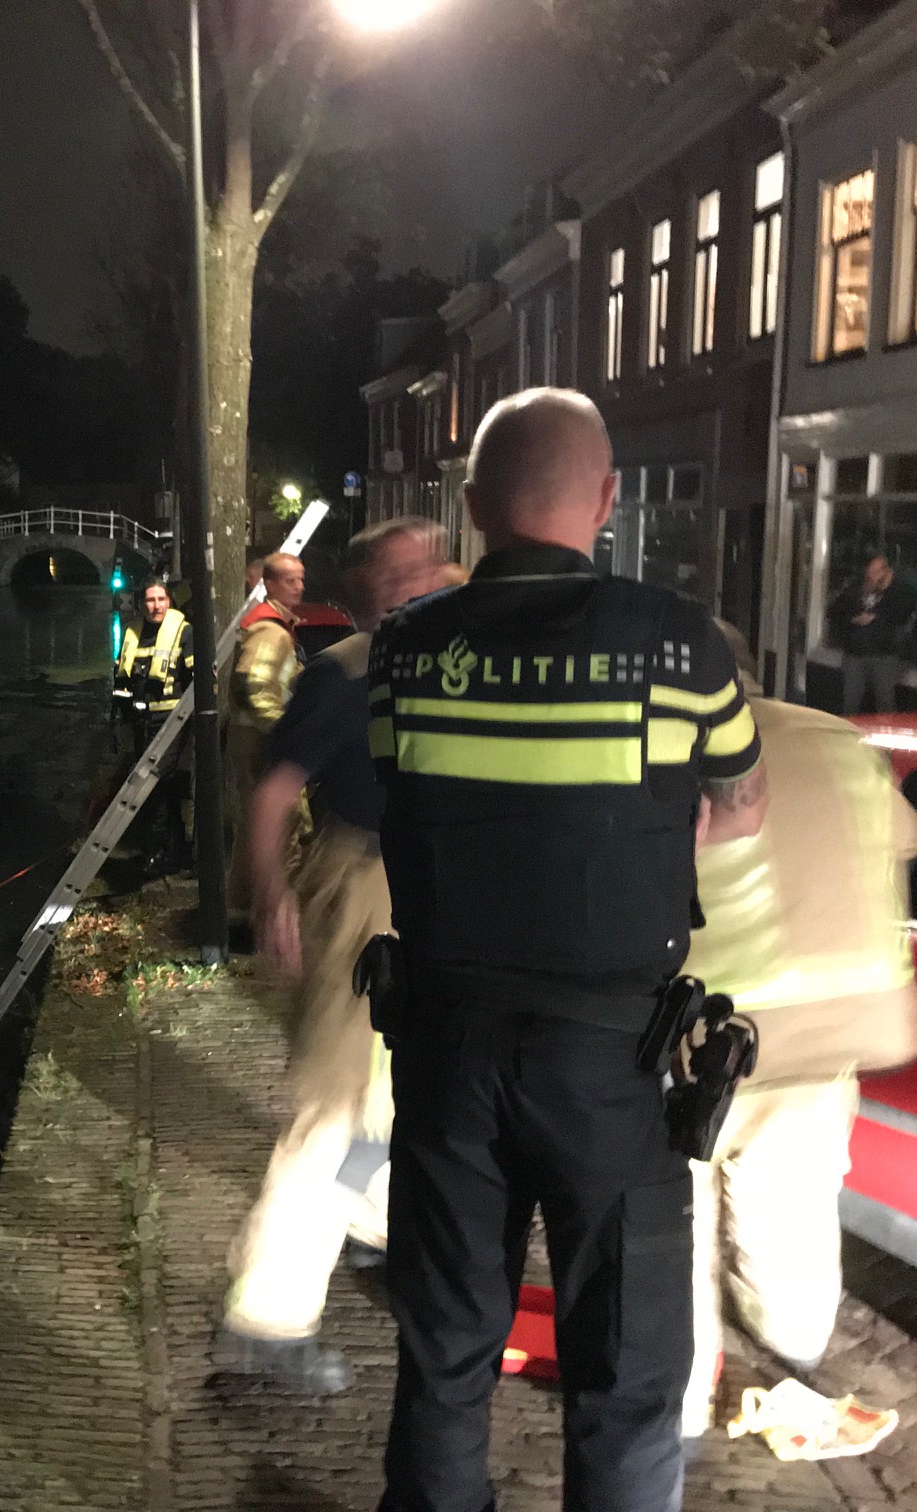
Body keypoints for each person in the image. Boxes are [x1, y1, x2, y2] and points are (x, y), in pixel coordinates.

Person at [368, 388, 768, 1512]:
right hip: (614, 1068)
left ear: (478, 504)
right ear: (606, 500)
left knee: (445, 1351)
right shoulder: (680, 646)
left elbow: (401, 795)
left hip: (449, 1056)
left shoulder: (405, 650)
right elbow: (742, 801)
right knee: (629, 1375)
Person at [217, 516, 448, 1391]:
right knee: (333, 1107)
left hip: (422, 893)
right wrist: (270, 891)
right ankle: (266, 1319)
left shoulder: (440, 653)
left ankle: (376, 1236)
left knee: (397, 1090)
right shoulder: (342, 674)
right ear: (369, 593)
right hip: (364, 892)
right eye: (404, 571)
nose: (427, 577)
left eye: (429, 563)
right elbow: (276, 791)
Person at [678, 624, 917, 1443]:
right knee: (793, 1239)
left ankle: (672, 1400)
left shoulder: (659, 750)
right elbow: (911, 834)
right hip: (826, 1042)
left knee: (673, 1228)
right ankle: (790, 1335)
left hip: (697, 1050)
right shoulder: (834, 738)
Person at [225, 553, 307, 920]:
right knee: (283, 823)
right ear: (270, 585)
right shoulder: (271, 632)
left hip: (252, 739)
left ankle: (243, 908)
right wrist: (283, 733)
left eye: (302, 579)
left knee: (254, 826)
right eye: (291, 580)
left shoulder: (273, 627)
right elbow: (255, 685)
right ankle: (274, 913)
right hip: (262, 742)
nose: (300, 587)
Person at [114, 580, 196, 873]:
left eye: (162, 599)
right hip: (141, 723)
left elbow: (195, 678)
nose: (156, 605)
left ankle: (155, 851)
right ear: (141, 604)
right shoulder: (132, 633)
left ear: (170, 601)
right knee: (167, 786)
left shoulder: (182, 632)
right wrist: (120, 721)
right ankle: (173, 847)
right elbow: (122, 684)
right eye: (150, 600)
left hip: (172, 721)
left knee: (155, 784)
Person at [828, 553, 916, 714]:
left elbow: (902, 613)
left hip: (883, 655)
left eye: (876, 572)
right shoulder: (857, 588)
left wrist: (878, 613)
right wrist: (853, 619)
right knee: (850, 702)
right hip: (855, 653)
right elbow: (835, 610)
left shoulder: (898, 590)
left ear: (886, 572)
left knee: (885, 703)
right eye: (870, 572)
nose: (871, 576)